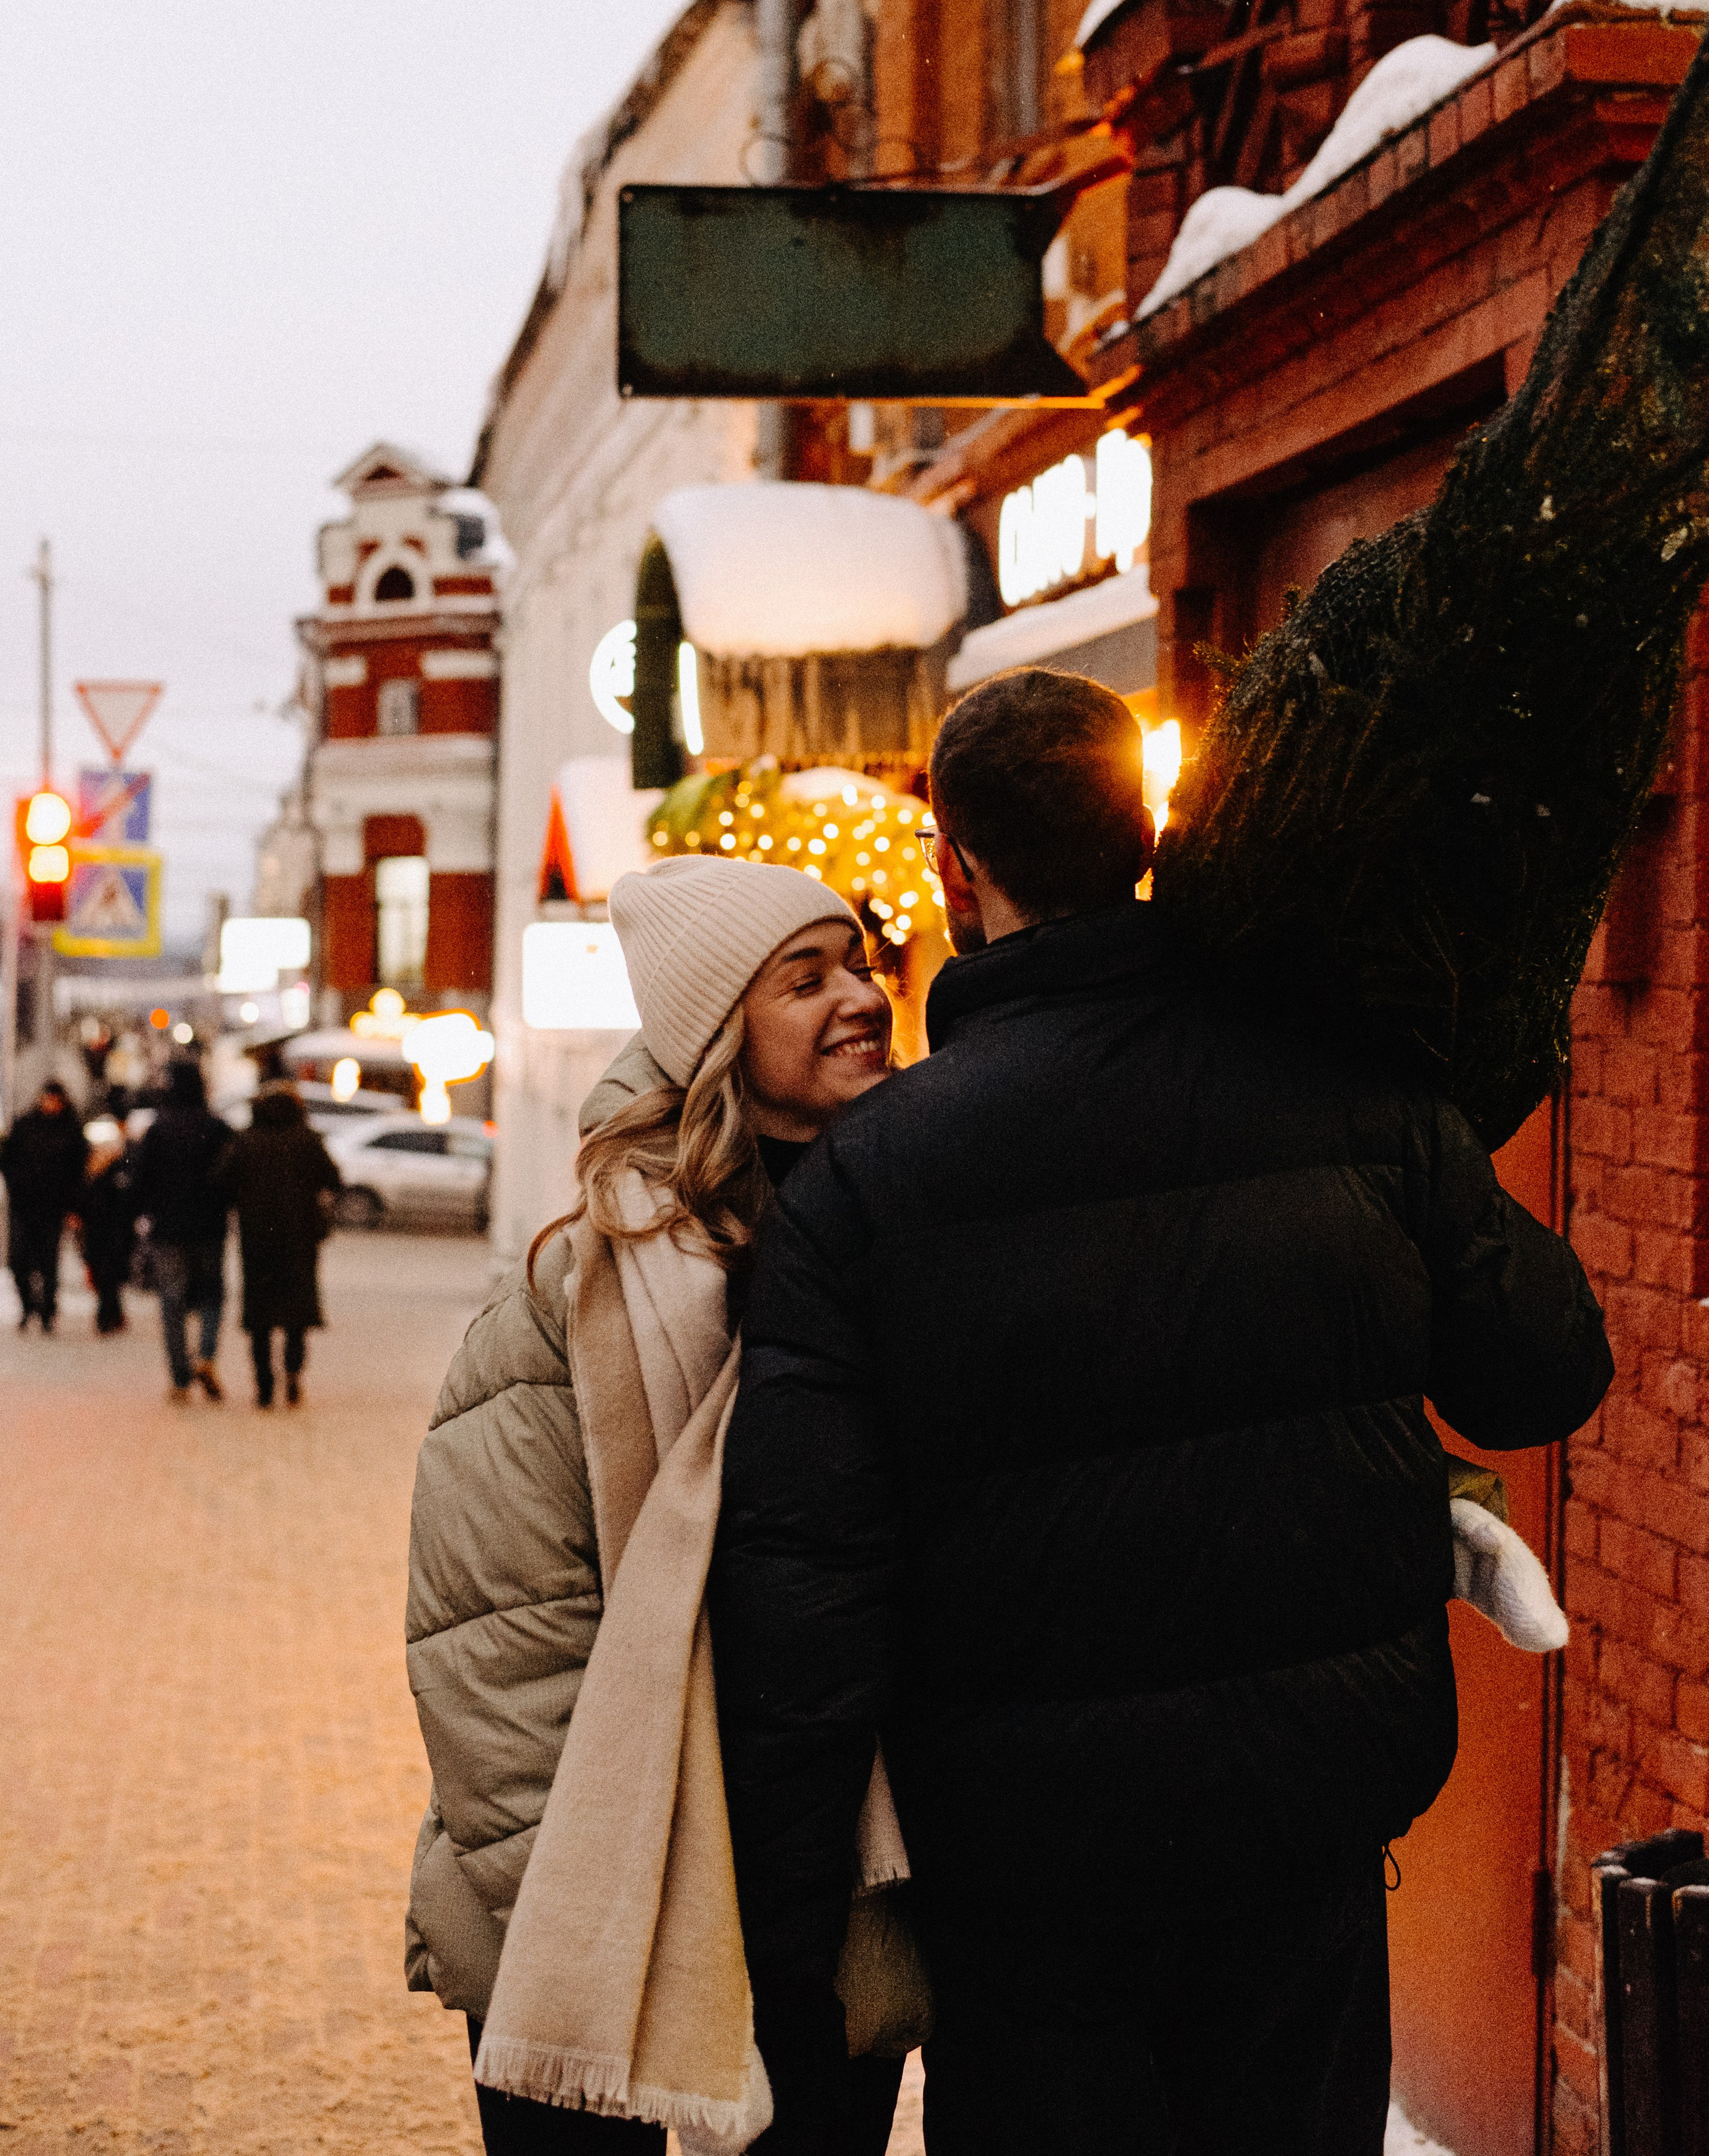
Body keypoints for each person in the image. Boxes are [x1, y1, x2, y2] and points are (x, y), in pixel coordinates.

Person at [709, 666, 1616, 2155]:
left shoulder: (870, 1183)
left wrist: (792, 1922)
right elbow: (1544, 1371)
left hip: (1023, 1870)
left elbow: (808, 1582)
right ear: (1148, 833)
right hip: (1305, 1828)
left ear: (955, 866)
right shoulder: (1348, 1082)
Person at [405, 858, 913, 2155]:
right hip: (597, 1877)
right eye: (804, 979)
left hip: (826, 1893)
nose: (859, 996)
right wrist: (586, 1919)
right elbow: (496, 1636)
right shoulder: (579, 1285)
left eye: (855, 961)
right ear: (714, 1035)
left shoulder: (918, 1246)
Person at [221, 1081, 342, 1406]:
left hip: (257, 1239)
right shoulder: (307, 1141)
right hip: (299, 1240)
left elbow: (222, 1183)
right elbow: (334, 1179)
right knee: (296, 1314)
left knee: (260, 1315)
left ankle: (263, 1385)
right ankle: (292, 1375)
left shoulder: (247, 1141)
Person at [132, 1057, 234, 1402]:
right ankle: (205, 1355)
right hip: (210, 1225)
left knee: (171, 1300)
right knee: (211, 1295)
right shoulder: (217, 1126)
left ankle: (179, 1377)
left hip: (169, 1228)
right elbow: (230, 1175)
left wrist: (142, 1214)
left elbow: (140, 1177)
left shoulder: (159, 1128)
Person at [1, 1079, 88, 1331]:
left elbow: (77, 1173)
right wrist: (17, 1185)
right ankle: (28, 1307)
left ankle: (48, 1311)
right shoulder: (25, 1125)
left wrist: (74, 1208)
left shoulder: (70, 1130)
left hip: (53, 1207)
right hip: (23, 1205)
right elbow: (8, 1160)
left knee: (48, 1262)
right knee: (19, 1262)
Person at [79, 1118, 140, 1334]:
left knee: (109, 1275)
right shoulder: (90, 1173)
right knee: (104, 1275)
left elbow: (127, 1202)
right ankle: (112, 1314)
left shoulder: (120, 1171)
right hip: (98, 1232)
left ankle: (107, 1316)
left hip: (115, 1232)